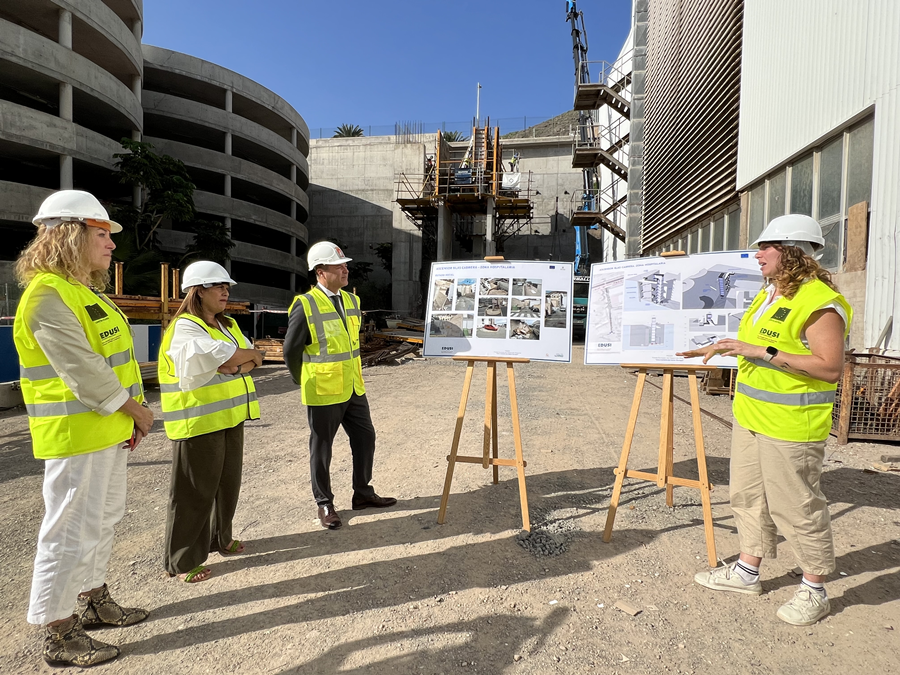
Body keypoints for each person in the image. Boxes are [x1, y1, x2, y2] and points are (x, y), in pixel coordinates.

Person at [677, 214, 852, 626]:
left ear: (792, 251)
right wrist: (728, 346)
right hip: (752, 416)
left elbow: (829, 368)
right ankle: (747, 571)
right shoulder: (771, 293)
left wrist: (764, 354)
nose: (757, 254)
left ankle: (814, 589)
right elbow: (756, 343)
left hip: (792, 423)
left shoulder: (819, 302)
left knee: (797, 506)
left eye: (765, 247)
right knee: (747, 496)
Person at [13, 190, 153, 667]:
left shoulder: (84, 292)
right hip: (76, 437)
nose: (112, 243)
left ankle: (92, 599)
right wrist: (135, 411)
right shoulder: (46, 296)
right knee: (68, 531)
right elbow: (84, 369)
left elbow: (116, 362)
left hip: (107, 429)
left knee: (102, 520)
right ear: (70, 234)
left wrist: (127, 418)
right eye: (102, 233)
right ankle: (57, 631)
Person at [158, 261, 263, 583]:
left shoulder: (227, 325)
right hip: (197, 422)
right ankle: (182, 560)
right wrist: (236, 360)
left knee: (227, 485)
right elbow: (234, 357)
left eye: (226, 287)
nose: (225, 291)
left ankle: (222, 538)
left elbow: (253, 356)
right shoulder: (185, 327)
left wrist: (239, 362)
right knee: (194, 492)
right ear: (198, 291)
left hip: (230, 417)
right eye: (218, 286)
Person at [283, 242, 396, 530]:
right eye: (339, 266)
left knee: (365, 438)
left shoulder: (351, 301)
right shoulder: (305, 305)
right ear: (321, 272)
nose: (346, 269)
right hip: (323, 390)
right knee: (322, 449)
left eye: (345, 264)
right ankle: (325, 503)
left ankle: (362, 493)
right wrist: (302, 379)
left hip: (353, 387)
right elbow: (290, 351)